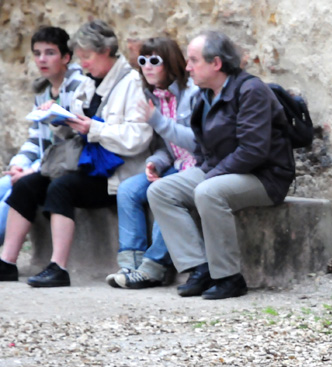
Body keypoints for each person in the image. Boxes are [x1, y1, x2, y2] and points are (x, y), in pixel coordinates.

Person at [0, 20, 152, 287]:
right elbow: (75, 131)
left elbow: (138, 138)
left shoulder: (132, 84)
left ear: (105, 51)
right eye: (80, 58)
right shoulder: (89, 84)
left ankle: (58, 267)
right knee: (26, 185)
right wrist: (59, 120)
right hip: (86, 164)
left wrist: (93, 128)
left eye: (86, 57)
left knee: (61, 188)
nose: (82, 63)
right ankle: (7, 262)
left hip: (116, 174)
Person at [147, 30, 295, 300]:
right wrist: (203, 169)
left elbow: (253, 151)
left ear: (216, 63)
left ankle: (229, 278)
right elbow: (203, 145)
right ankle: (199, 268)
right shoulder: (202, 96)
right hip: (221, 171)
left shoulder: (251, 90)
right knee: (160, 191)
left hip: (264, 176)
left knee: (208, 191)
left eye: (193, 60)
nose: (187, 67)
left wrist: (210, 175)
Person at [105, 36, 198, 289]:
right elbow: (166, 148)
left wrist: (158, 121)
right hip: (174, 166)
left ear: (171, 63)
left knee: (162, 192)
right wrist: (155, 162)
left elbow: (198, 144)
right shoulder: (154, 97)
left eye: (154, 60)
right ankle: (131, 263)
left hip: (197, 167)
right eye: (142, 61)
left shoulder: (192, 94)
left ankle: (153, 268)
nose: (147, 66)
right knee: (127, 189)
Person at [0, 27, 91, 255]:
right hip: (42, 163)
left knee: (14, 191)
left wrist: (31, 172)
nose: (42, 59)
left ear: (66, 57)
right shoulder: (43, 90)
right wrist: (18, 164)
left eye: (50, 53)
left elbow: (72, 144)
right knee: (4, 183)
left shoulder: (78, 86)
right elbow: (34, 138)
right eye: (37, 53)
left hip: (65, 165)